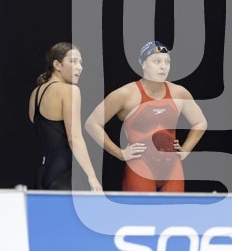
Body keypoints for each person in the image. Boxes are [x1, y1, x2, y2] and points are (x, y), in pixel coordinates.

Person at [85, 41, 207, 192]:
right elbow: (92, 124)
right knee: (141, 208)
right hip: (140, 167)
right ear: (143, 64)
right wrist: (120, 153)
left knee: (174, 208)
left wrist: (186, 150)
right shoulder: (126, 94)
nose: (163, 66)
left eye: (167, 62)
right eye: (157, 61)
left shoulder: (179, 93)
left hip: (173, 168)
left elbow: (200, 122)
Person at [28, 42, 102, 191]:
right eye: (73, 61)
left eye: (81, 62)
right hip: (64, 175)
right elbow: (74, 138)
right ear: (57, 65)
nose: (80, 67)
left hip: (42, 175)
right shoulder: (70, 91)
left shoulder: (35, 94)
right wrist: (92, 176)